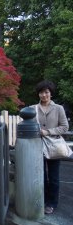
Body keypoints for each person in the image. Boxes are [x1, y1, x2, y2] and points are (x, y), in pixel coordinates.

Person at [34, 80, 69, 214]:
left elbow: (65, 127)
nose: (44, 95)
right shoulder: (33, 108)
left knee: (54, 177)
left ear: (51, 93)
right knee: (40, 176)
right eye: (41, 92)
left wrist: (48, 132)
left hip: (53, 146)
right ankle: (42, 200)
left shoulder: (58, 108)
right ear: (38, 94)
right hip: (37, 147)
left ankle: (52, 202)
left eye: (46, 92)